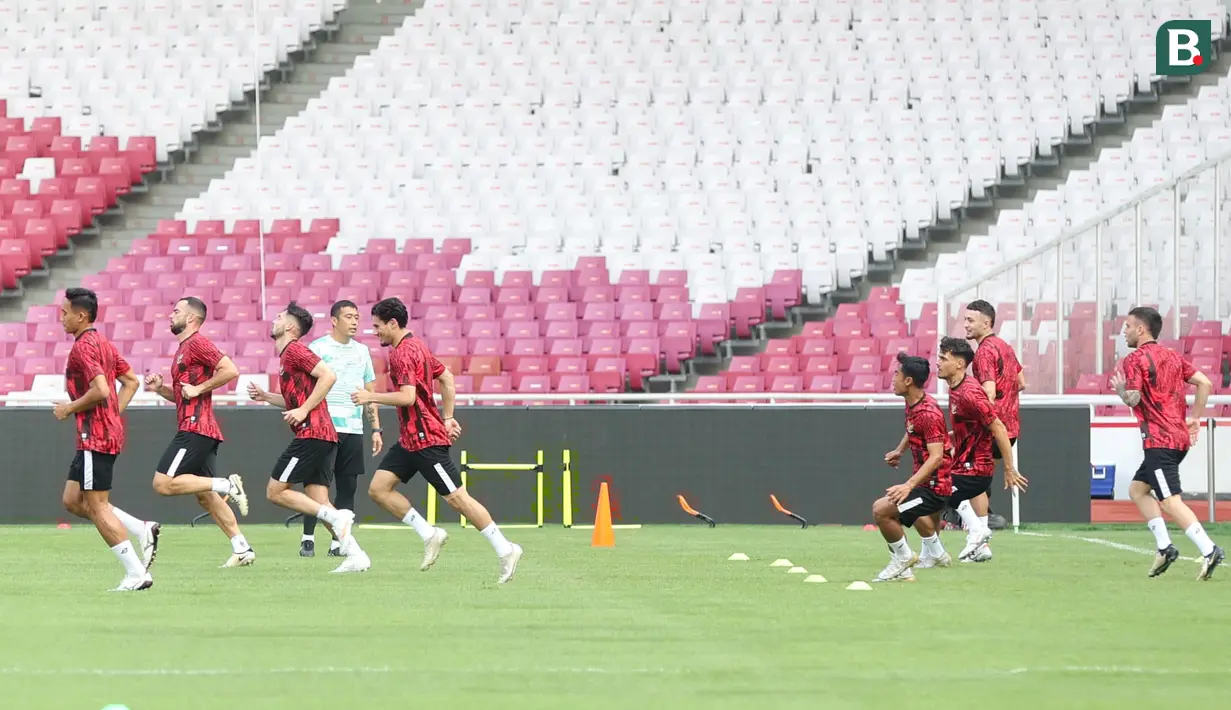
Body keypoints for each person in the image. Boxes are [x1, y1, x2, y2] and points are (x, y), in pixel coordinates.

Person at [355, 297, 523, 583]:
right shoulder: (418, 346)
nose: (375, 332)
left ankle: (506, 549)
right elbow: (446, 377)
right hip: (410, 440)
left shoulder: (402, 353)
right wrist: (448, 417)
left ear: (393, 324)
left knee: (458, 499)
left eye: (378, 326)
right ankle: (429, 533)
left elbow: (408, 397)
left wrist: (370, 396)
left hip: (426, 441)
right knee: (379, 489)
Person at [246, 301, 371, 573]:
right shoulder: (287, 356)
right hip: (323, 434)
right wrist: (267, 397)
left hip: (313, 434)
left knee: (276, 491)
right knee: (319, 501)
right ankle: (356, 555)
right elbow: (295, 399)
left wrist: (303, 410)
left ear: (290, 326)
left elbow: (329, 375)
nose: (274, 320)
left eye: (279, 316)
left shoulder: (295, 350)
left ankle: (338, 518)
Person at [55, 287, 157, 591]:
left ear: (80, 315)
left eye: (65, 312)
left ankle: (136, 573)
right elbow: (131, 381)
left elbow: (100, 389)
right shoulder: (103, 342)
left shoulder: (83, 347)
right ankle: (142, 529)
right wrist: (113, 413)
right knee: (72, 500)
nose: (61, 317)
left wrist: (69, 408)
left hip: (94, 436)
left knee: (98, 506)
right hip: (102, 432)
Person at [1111, 306, 1223, 580]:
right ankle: (1164, 547)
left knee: (1170, 501)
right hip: (1178, 438)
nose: (1123, 331)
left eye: (1127, 326)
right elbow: (1205, 383)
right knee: (1138, 489)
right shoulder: (1172, 356)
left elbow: (1134, 399)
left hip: (1160, 440)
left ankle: (1209, 550)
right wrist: (1195, 417)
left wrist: (1121, 390)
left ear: (1141, 329)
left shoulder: (1135, 359)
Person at [146, 296, 254, 568]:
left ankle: (227, 484)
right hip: (202, 429)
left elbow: (230, 370)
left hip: (195, 428)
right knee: (206, 496)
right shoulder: (183, 348)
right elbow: (185, 395)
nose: (170, 315)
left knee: (162, 483)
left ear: (192, 318)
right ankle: (242, 549)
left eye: (176, 311)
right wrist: (162, 390)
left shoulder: (197, 343)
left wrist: (199, 388)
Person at [297, 300, 382, 558]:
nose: (354, 321)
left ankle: (338, 543)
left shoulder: (362, 351)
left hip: (354, 428)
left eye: (357, 317)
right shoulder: (318, 348)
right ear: (334, 320)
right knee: (316, 484)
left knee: (348, 487)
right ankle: (308, 538)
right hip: (323, 427)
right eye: (348, 316)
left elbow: (370, 392)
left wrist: (375, 428)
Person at [936, 337, 1028, 561]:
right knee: (940, 492)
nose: (937, 362)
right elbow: (968, 428)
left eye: (943, 358)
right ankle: (979, 546)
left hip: (976, 466)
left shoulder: (970, 393)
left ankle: (975, 532)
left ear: (959, 363)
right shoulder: (955, 389)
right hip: (967, 462)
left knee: (941, 490)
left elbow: (998, 427)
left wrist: (1009, 468)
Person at [872, 353, 954, 582]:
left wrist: (908, 486)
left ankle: (904, 559)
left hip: (935, 488)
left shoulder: (929, 413)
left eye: (897, 374)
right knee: (902, 515)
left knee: (881, 510)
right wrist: (900, 450)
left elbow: (937, 456)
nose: (893, 379)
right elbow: (913, 430)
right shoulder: (914, 405)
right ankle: (911, 565)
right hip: (927, 482)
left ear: (908, 381)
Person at [962, 299, 1026, 559]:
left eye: (970, 320)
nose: (965, 325)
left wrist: (977, 411)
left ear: (986, 323)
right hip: (1010, 428)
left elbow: (988, 392)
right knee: (979, 480)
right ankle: (978, 534)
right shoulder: (1005, 347)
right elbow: (1021, 381)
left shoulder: (985, 351)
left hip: (991, 427)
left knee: (970, 480)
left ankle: (980, 541)